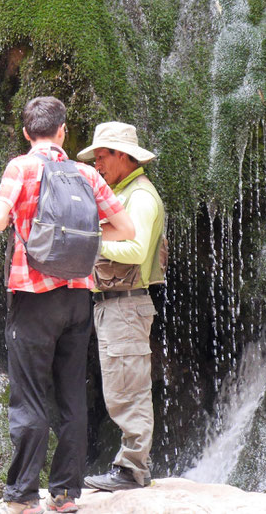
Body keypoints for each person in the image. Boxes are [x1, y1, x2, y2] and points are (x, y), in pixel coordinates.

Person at [0, 97, 135, 514]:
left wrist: (10, 213)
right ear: (63, 132)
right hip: (77, 297)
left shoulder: (22, 167)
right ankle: (66, 494)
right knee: (71, 393)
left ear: (26, 132)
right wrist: (83, 228)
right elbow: (126, 228)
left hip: (33, 297)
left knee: (30, 395)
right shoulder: (87, 174)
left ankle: (23, 496)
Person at [77, 121, 165, 492]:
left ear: (124, 156)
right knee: (121, 387)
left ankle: (132, 471)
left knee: (129, 389)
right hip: (115, 306)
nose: (98, 163)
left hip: (126, 306)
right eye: (95, 156)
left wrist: (90, 242)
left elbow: (136, 250)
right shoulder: (123, 195)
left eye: (103, 156)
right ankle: (130, 467)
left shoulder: (140, 197)